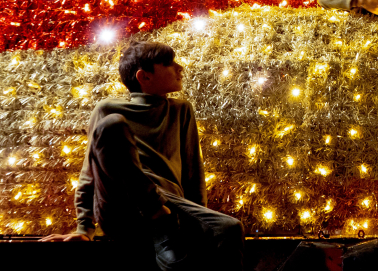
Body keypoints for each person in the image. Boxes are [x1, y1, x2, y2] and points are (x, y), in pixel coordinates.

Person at [40, 41, 244, 271]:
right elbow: (89, 173)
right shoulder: (107, 109)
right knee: (113, 125)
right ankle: (157, 216)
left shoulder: (180, 109)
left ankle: (163, 223)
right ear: (144, 77)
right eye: (169, 63)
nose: (180, 68)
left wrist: (197, 221)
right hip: (120, 205)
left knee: (229, 228)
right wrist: (84, 229)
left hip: (171, 206)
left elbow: (192, 172)